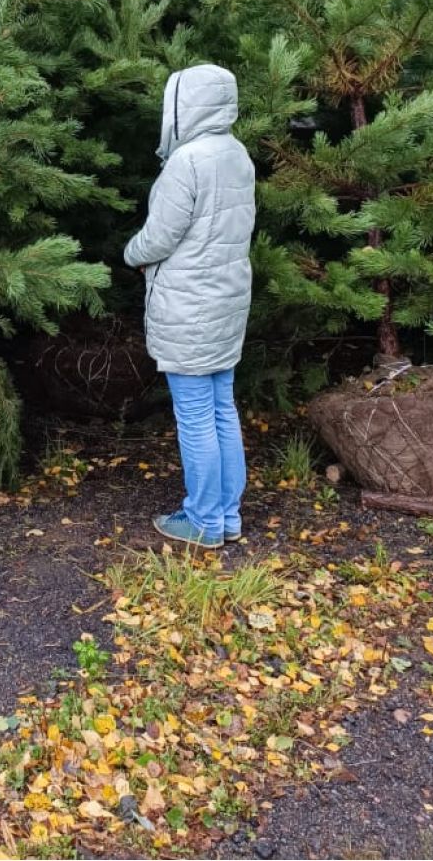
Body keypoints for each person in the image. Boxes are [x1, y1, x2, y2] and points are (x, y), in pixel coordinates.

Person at [123, 64, 255, 548]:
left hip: (188, 306)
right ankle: (227, 517)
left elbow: (161, 236)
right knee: (223, 407)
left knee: (196, 415)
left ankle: (202, 521)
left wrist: (131, 254)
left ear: (184, 104)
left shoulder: (187, 161)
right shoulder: (237, 154)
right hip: (226, 301)